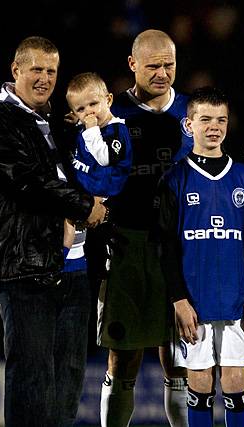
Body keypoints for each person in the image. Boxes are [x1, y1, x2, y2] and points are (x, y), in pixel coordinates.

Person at [0, 35, 107, 426]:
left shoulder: (55, 124)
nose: (45, 78)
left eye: (51, 70)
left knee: (67, 378)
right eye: (36, 69)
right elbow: (27, 182)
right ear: (16, 71)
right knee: (32, 376)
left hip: (73, 269)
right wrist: (85, 207)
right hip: (25, 268)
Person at [96, 29, 193, 427]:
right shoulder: (110, 112)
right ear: (133, 65)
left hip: (183, 246)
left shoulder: (192, 111)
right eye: (152, 65)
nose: (162, 73)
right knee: (123, 355)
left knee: (181, 356)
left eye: (168, 64)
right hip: (127, 244)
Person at [159, 86, 244, 427]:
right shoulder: (174, 179)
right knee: (200, 381)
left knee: (236, 382)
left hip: (237, 299)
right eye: (205, 119)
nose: (214, 127)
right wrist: (178, 299)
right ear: (189, 125)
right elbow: (166, 246)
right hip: (194, 300)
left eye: (220, 119)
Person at [65, 71, 132, 200]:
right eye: (80, 109)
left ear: (108, 100)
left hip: (103, 199)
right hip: (81, 194)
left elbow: (105, 159)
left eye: (93, 104)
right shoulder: (85, 125)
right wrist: (79, 122)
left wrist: (91, 129)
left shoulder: (118, 130)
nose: (89, 112)